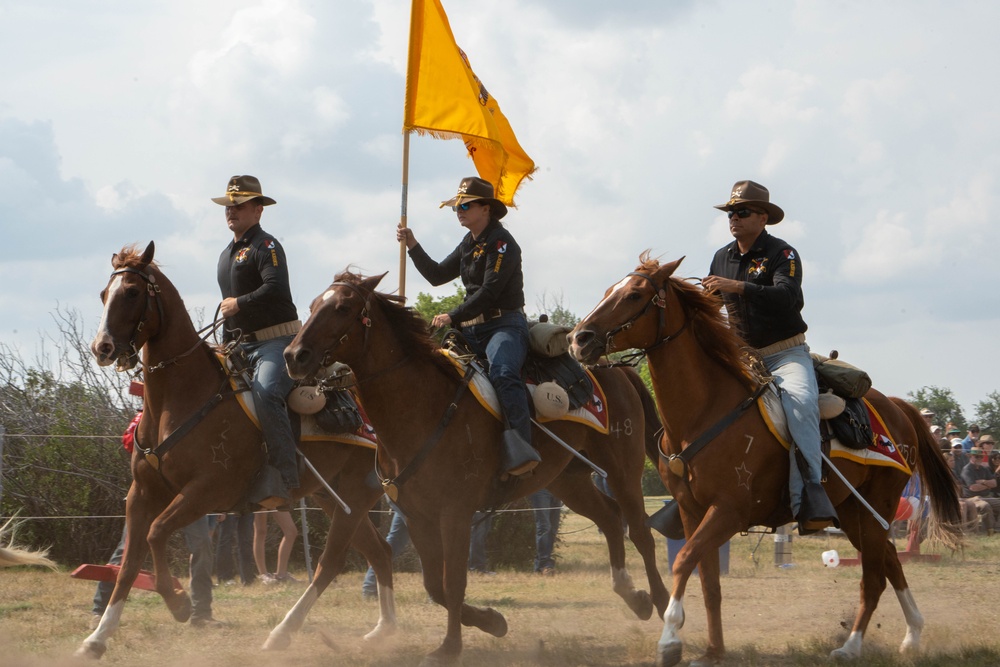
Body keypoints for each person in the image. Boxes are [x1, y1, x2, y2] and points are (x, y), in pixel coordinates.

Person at [702, 180, 837, 534]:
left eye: (742, 212)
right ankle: (691, 491)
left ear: (763, 217)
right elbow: (714, 306)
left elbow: (788, 296)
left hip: (785, 354)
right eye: (730, 212)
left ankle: (809, 493)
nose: (734, 218)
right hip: (742, 357)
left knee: (801, 404)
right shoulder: (721, 257)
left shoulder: (783, 254)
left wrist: (738, 287)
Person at [396, 176, 539, 476]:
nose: (459, 211)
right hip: (470, 332)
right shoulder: (467, 243)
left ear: (486, 208)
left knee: (503, 373)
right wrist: (413, 245)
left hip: (504, 326)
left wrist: (452, 316)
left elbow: (490, 293)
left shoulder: (502, 243)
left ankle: (521, 450)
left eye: (465, 205)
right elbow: (436, 275)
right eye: (456, 207)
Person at [214, 174, 302, 508]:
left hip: (276, 342)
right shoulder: (227, 253)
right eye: (228, 205)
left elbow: (276, 287)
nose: (231, 211)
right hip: (239, 345)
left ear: (258, 210)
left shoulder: (266, 246)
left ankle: (285, 476)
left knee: (266, 394)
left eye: (239, 205)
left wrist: (241, 302)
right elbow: (228, 311)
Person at [91, 411, 223, 629]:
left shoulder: (199, 419)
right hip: (151, 496)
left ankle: (202, 614)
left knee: (202, 546)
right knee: (126, 551)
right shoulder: (147, 419)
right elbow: (128, 443)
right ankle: (99, 610)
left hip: (186, 497)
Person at [362, 499, 411, 600]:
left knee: (395, 541)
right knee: (425, 542)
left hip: (402, 496)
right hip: (404, 496)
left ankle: (370, 588)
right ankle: (434, 593)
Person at [253, 509, 300, 584]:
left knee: (291, 532)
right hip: (259, 499)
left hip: (277, 498)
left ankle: (281, 575)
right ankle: (263, 575)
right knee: (261, 531)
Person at [960, 447, 1000, 535]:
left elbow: (994, 484)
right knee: (985, 506)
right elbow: (973, 488)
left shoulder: (984, 469)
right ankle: (990, 530)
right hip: (972, 498)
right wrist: (987, 485)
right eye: (976, 456)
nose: (979, 458)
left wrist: (983, 482)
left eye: (980, 457)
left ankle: (997, 528)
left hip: (986, 496)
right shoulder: (967, 470)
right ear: (970, 457)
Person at [215, 512, 256, 586]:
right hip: (228, 506)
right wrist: (221, 510)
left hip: (246, 505)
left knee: (246, 540)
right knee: (226, 539)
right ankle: (225, 578)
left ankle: (248, 578)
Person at [528, 488, 562, 575]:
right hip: (540, 489)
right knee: (544, 527)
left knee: (553, 528)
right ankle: (545, 565)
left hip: (556, 488)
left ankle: (540, 566)